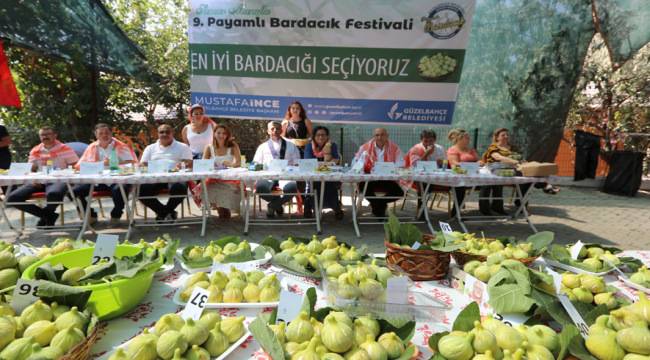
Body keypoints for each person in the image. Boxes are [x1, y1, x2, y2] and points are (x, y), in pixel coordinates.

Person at [6, 126, 79, 226]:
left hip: (58, 180)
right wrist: (33, 179)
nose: (45, 136)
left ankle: (46, 216)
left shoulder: (65, 148)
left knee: (54, 194)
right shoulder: (35, 150)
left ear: (55, 135)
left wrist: (67, 174)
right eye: (42, 135)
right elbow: (30, 169)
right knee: (12, 198)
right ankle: (48, 216)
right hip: (38, 181)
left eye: (48, 134)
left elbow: (76, 166)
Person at [73, 123, 136, 223]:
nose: (104, 135)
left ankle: (116, 214)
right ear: (96, 135)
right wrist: (98, 165)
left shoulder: (121, 146)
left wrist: (114, 163)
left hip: (117, 180)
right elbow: (80, 165)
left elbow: (131, 164)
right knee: (74, 191)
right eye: (101, 133)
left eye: (107, 133)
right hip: (96, 181)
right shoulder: (92, 147)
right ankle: (90, 214)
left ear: (111, 133)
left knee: (120, 189)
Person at [139, 124, 193, 221]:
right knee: (142, 191)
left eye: (167, 132)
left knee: (180, 188)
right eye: (161, 132)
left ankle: (163, 213)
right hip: (154, 177)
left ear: (172, 133)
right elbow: (143, 164)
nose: (164, 134)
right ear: (157, 134)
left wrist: (180, 165)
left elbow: (189, 162)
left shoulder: (183, 147)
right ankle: (166, 212)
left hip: (176, 177)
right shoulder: (150, 148)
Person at [253, 121, 300, 218]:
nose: (275, 130)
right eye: (272, 129)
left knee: (292, 188)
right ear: (268, 131)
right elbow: (255, 164)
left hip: (286, 176)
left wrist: (292, 167)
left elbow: (297, 162)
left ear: (282, 130)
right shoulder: (262, 147)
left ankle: (272, 206)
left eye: (278, 128)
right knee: (260, 188)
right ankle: (278, 204)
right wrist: (262, 167)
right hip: (267, 176)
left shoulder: (291, 146)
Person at [354, 128, 404, 217]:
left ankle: (378, 205)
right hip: (370, 179)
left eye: (382, 135)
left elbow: (401, 163)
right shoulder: (364, 147)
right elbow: (356, 161)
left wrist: (388, 168)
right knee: (363, 188)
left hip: (388, 179)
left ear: (387, 136)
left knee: (399, 192)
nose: (379, 137)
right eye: (377, 135)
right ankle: (380, 207)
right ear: (374, 136)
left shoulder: (395, 148)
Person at [303, 126, 343, 219]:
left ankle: (336, 208)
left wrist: (322, 165)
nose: (320, 137)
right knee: (312, 185)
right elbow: (308, 161)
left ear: (327, 136)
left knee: (330, 184)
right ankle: (309, 207)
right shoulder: (309, 145)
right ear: (314, 136)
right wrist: (326, 164)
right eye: (318, 135)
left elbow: (336, 159)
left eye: (323, 135)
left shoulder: (332, 145)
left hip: (329, 173)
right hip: (313, 174)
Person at [480, 128, 522, 215]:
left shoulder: (513, 147)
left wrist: (522, 162)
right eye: (503, 135)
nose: (506, 137)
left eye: (507, 135)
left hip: (509, 171)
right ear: (497, 137)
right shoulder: (493, 147)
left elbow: (519, 157)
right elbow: (498, 157)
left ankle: (520, 206)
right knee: (488, 185)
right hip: (493, 170)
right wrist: (514, 161)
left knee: (527, 180)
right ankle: (485, 210)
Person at [202, 124, 241, 219]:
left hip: (230, 179)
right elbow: (202, 165)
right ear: (214, 134)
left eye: (224, 133)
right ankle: (218, 206)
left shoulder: (233, 145)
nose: (221, 135)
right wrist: (211, 165)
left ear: (227, 135)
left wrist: (230, 164)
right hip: (214, 179)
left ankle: (225, 207)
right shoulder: (209, 147)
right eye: (218, 132)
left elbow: (238, 163)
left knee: (225, 214)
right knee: (207, 188)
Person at [446, 129, 480, 216]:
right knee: (460, 185)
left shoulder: (471, 150)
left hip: (474, 175)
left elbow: (478, 161)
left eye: (469, 138)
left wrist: (480, 163)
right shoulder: (452, 150)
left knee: (489, 185)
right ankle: (455, 213)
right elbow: (454, 164)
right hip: (459, 176)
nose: (469, 140)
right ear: (459, 139)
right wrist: (469, 166)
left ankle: (486, 209)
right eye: (467, 138)